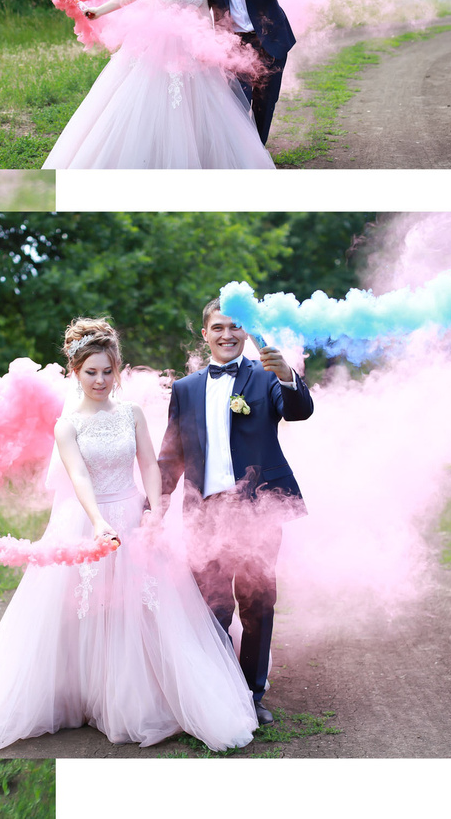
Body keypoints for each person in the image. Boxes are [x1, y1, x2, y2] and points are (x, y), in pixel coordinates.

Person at [0, 318, 259, 754]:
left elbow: (150, 464)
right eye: (90, 372)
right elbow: (78, 475)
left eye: (106, 371)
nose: (99, 380)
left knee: (141, 606)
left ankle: (133, 697)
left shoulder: (130, 414)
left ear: (117, 370)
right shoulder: (68, 425)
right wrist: (98, 521)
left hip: (133, 512)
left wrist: (154, 511)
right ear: (75, 373)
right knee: (77, 609)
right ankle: (75, 694)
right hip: (85, 519)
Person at [158, 300, 316, 725]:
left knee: (257, 603)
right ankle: (219, 694)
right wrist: (155, 503)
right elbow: (171, 456)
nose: (227, 335)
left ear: (246, 333)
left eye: (235, 327)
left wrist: (285, 373)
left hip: (257, 509)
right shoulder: (186, 388)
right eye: (218, 328)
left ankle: (252, 693)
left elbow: (299, 410)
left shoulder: (265, 377)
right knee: (211, 608)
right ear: (205, 334)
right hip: (204, 514)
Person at [44, 0, 276, 170]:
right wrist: (98, 11)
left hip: (192, 50)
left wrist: (210, 48)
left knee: (201, 107)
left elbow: (202, 14)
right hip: (160, 49)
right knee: (151, 104)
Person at [199, 0, 350, 144]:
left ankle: (257, 153)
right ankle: (238, 155)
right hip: (232, 46)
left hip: (269, 42)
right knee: (234, 103)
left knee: (264, 104)